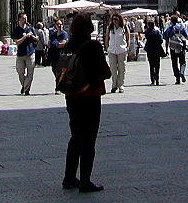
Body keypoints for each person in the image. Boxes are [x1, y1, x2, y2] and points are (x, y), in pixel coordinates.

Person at [62, 14, 111, 193]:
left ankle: (68, 178)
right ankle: (85, 181)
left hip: (72, 96)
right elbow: (106, 72)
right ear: (89, 28)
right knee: (89, 140)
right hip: (90, 96)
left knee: (75, 137)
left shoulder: (68, 45)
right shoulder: (93, 46)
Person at [12, 12, 38, 95]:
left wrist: (33, 37)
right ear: (19, 19)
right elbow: (17, 42)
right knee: (20, 72)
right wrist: (25, 37)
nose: (25, 19)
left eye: (26, 18)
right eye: (23, 18)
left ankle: (26, 90)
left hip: (30, 52)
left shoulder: (30, 28)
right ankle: (24, 85)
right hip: (20, 54)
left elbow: (37, 38)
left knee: (30, 72)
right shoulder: (16, 30)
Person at [104, 12, 129, 93]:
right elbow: (107, 38)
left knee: (122, 68)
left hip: (122, 50)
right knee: (113, 69)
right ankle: (114, 85)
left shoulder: (124, 27)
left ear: (119, 19)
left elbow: (128, 37)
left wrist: (127, 47)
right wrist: (107, 47)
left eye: (116, 19)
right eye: (113, 19)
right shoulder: (110, 28)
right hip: (112, 50)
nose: (114, 21)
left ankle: (121, 85)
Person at [163, 15, 188, 84]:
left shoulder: (169, 28)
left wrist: (166, 49)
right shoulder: (181, 27)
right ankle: (182, 72)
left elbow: (165, 37)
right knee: (183, 61)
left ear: (171, 21)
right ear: (177, 20)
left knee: (174, 63)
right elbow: (187, 37)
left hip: (172, 47)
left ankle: (177, 78)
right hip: (181, 47)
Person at [49, 19, 69, 92]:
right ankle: (60, 84)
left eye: (60, 24)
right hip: (54, 56)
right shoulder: (53, 34)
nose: (59, 26)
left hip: (62, 55)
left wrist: (56, 44)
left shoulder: (64, 34)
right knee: (55, 71)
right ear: (55, 26)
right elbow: (50, 43)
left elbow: (63, 44)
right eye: (58, 24)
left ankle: (57, 88)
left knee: (60, 72)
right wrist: (58, 44)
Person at [143, 20, 164, 85]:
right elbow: (161, 40)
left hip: (149, 50)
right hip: (157, 49)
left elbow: (145, 37)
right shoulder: (157, 32)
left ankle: (152, 79)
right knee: (157, 64)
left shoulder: (146, 32)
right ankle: (157, 78)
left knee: (151, 65)